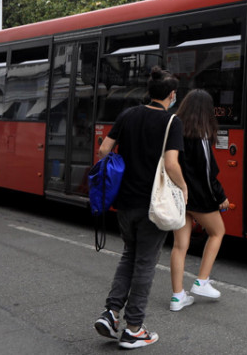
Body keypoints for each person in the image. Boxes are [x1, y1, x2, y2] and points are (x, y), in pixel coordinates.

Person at [93, 66, 188, 350]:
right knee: (145, 263)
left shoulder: (127, 115)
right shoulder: (172, 122)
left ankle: (111, 314)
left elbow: (103, 151)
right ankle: (134, 328)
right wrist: (183, 188)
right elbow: (171, 164)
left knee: (128, 256)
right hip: (153, 205)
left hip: (125, 201)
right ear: (171, 95)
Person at [169, 89, 229, 312]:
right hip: (198, 198)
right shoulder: (201, 135)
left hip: (179, 196)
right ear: (206, 111)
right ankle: (201, 281)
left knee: (179, 246)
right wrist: (220, 195)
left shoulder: (177, 129)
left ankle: (177, 297)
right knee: (217, 232)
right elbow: (207, 171)